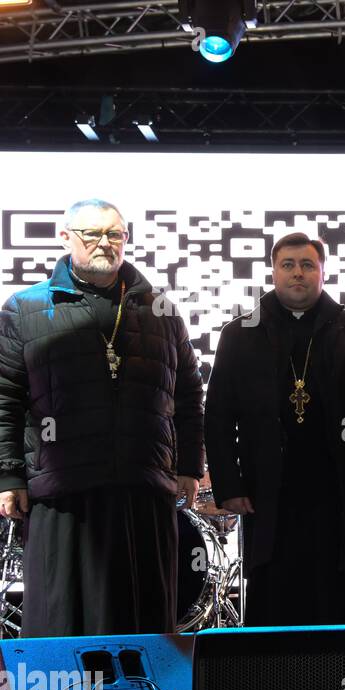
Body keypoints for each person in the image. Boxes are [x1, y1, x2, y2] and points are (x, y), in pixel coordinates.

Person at [0, 198, 203, 636]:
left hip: (143, 486)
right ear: (66, 238)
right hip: (61, 491)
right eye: (91, 233)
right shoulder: (25, 309)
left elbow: (188, 394)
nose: (104, 243)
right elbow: (5, 400)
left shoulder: (161, 310)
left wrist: (189, 466)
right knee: (62, 622)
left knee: (145, 623)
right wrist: (8, 477)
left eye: (114, 234)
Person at [205, 232, 345, 625]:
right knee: (275, 609)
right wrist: (229, 485)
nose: (297, 273)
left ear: (322, 271)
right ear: (273, 271)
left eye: (307, 265)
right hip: (269, 495)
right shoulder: (240, 335)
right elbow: (219, 417)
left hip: (342, 495)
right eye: (288, 265)